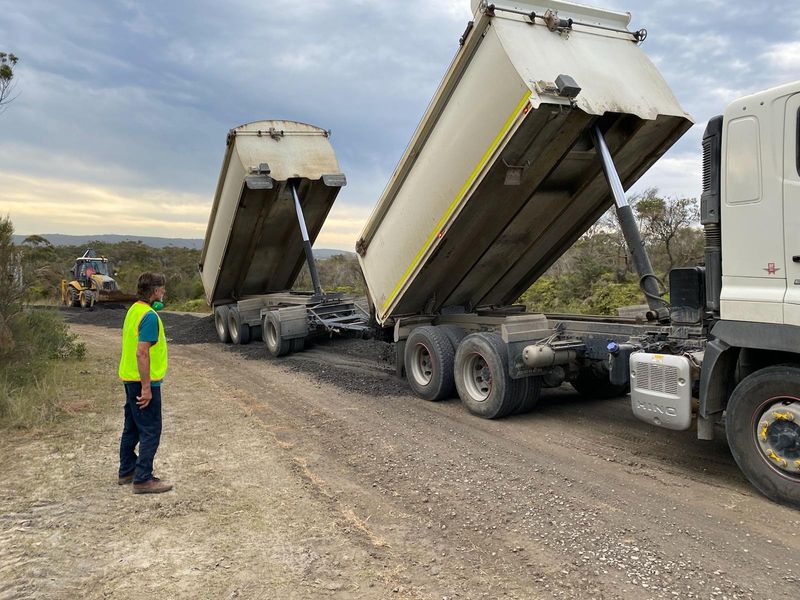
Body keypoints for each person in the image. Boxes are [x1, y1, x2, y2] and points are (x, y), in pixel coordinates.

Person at [117, 272, 173, 494]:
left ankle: (127, 471)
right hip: (143, 382)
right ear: (156, 291)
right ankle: (143, 479)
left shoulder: (134, 310)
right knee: (150, 430)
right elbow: (142, 353)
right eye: (163, 289)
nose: (164, 292)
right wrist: (147, 387)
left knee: (131, 428)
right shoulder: (149, 316)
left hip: (129, 378)